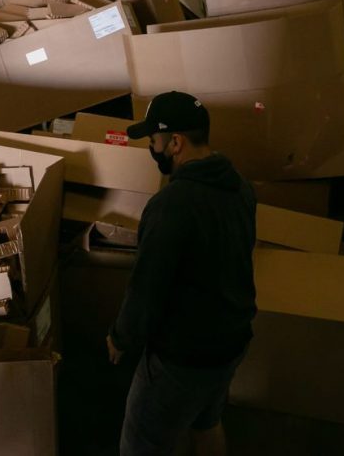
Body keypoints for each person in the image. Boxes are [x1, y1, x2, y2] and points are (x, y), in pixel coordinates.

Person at [107, 91, 257, 456]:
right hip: (230, 343)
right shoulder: (239, 186)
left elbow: (146, 290)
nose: (152, 149)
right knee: (206, 423)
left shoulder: (172, 206)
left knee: (139, 444)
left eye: (154, 141)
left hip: (183, 358)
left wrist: (120, 338)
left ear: (175, 143)